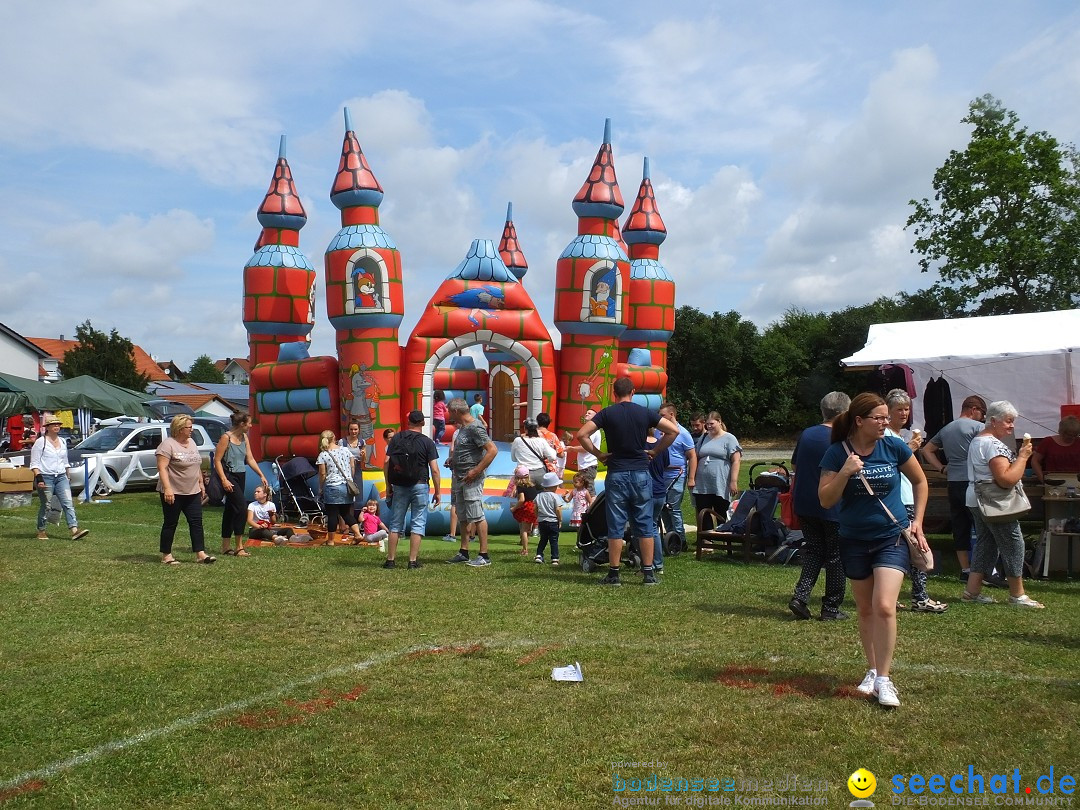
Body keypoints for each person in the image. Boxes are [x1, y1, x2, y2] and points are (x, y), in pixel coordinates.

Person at [819, 393, 930, 708]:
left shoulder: (893, 446)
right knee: (865, 609)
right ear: (859, 421)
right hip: (853, 539)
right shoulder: (835, 453)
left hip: (891, 537)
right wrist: (845, 472)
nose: (886, 423)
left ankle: (884, 679)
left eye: (886, 417)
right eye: (879, 418)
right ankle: (871, 669)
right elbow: (826, 500)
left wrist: (918, 522)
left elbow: (920, 483)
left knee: (884, 606)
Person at [575, 377, 679, 586]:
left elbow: (582, 434)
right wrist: (655, 451)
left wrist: (599, 454)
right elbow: (673, 431)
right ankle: (648, 573)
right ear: (633, 392)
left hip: (617, 473)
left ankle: (614, 574)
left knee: (615, 525)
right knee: (645, 524)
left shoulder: (607, 413)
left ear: (614, 393)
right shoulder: (644, 412)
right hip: (641, 472)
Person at [962, 401, 1044, 608]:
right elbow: (1006, 479)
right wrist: (1024, 457)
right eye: (1008, 421)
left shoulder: (977, 441)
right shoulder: (992, 444)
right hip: (995, 502)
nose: (1011, 426)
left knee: (986, 543)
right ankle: (1017, 595)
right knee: (1014, 543)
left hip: (976, 498)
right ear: (993, 421)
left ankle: (972, 592)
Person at [884, 389, 947, 614]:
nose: (903, 413)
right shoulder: (885, 436)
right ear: (888, 412)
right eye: (898, 409)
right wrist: (909, 450)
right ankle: (919, 597)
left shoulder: (901, 436)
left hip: (908, 496)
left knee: (907, 547)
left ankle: (900, 596)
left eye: (906, 409)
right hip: (898, 499)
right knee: (914, 547)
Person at [788, 392, 850, 621]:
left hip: (805, 501)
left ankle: (801, 596)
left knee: (814, 550)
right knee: (835, 555)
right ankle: (831, 608)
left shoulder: (807, 434)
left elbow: (795, 462)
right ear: (844, 413)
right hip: (833, 504)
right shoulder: (842, 438)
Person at [919, 395, 987, 577]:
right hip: (973, 482)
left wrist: (941, 468)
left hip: (953, 482)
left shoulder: (947, 428)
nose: (983, 417)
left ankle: (965, 569)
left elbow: (926, 450)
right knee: (981, 526)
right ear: (973, 409)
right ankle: (985, 568)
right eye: (982, 413)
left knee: (959, 525)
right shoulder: (980, 428)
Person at [383, 410, 441, 569]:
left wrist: (388, 485)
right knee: (418, 522)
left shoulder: (396, 438)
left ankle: (390, 560)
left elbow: (387, 462)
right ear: (422, 423)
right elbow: (435, 470)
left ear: (408, 422)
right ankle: (412, 561)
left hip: (400, 485)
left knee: (395, 522)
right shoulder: (427, 442)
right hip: (420, 484)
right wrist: (437, 491)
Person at [156, 414, 215, 565]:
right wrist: (168, 489)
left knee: (196, 522)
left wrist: (201, 484)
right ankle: (166, 555)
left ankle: (200, 554)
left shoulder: (192, 443)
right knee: (171, 522)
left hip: (192, 491)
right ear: (180, 428)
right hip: (173, 492)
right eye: (189, 427)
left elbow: (196, 465)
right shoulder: (167, 445)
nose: (192, 430)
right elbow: (162, 468)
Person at [445, 398, 497, 566]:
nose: (449, 416)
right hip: (459, 477)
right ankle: (464, 551)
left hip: (471, 479)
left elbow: (492, 450)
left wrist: (476, 470)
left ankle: (484, 554)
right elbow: (468, 450)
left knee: (476, 515)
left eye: (450, 412)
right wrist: (453, 459)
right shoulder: (463, 428)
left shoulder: (475, 427)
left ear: (456, 412)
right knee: (463, 515)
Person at [214, 411, 268, 558]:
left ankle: (225, 547)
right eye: (249, 423)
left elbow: (250, 459)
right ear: (242, 424)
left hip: (241, 475)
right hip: (229, 476)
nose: (251, 426)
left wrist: (261, 474)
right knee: (241, 508)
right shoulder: (226, 438)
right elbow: (217, 460)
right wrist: (224, 479)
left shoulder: (244, 437)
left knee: (230, 510)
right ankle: (239, 546)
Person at [29, 414, 89, 541]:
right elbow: (34, 463)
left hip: (61, 476)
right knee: (46, 505)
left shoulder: (62, 441)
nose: (57, 426)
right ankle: (41, 530)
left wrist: (68, 475)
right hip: (45, 477)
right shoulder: (41, 442)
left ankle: (74, 530)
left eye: (58, 424)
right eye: (54, 424)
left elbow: (65, 460)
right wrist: (39, 478)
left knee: (68, 503)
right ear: (48, 427)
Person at [657, 403, 697, 556]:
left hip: (677, 475)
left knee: (673, 508)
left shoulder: (683, 433)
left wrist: (691, 478)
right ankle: (670, 537)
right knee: (662, 509)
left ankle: (681, 539)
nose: (659, 418)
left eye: (662, 415)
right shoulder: (659, 432)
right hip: (661, 476)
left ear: (672, 415)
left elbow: (692, 456)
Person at [692, 411, 742, 517]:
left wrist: (733, 481)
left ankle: (721, 533)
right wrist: (691, 478)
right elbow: (696, 457)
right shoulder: (704, 437)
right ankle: (706, 534)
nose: (709, 427)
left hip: (720, 482)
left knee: (722, 514)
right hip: (702, 484)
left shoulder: (729, 438)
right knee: (703, 515)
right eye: (707, 424)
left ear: (719, 422)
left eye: (712, 424)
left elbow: (736, 461)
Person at [316, 429, 362, 546]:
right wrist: (349, 479)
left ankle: (331, 541)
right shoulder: (346, 450)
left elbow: (322, 474)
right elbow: (352, 467)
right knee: (346, 513)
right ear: (334, 437)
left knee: (332, 514)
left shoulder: (323, 454)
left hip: (332, 486)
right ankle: (357, 534)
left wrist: (321, 487)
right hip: (346, 486)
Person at [1031, 415, 1080, 482]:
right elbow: (1035, 461)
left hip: (1077, 479)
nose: (1072, 438)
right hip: (1053, 480)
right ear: (1061, 431)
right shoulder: (1048, 442)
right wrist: (1042, 479)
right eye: (1069, 435)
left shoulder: (1078, 442)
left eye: (1075, 435)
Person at [338, 419, 368, 525]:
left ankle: (351, 523)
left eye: (355, 429)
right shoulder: (342, 442)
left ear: (359, 430)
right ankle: (344, 524)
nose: (353, 431)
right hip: (346, 469)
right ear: (348, 430)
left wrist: (363, 455)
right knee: (345, 496)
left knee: (355, 495)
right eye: (351, 429)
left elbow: (363, 460)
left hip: (357, 468)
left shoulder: (361, 442)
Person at [564, 408, 600, 495]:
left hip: (588, 466)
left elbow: (585, 448)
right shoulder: (590, 430)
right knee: (585, 491)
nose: (586, 414)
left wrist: (572, 448)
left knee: (589, 491)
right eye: (586, 413)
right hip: (585, 466)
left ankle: (592, 506)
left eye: (589, 413)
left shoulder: (593, 431)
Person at [511, 418, 556, 486]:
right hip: (539, 473)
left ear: (525, 429)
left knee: (523, 494)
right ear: (536, 429)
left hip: (523, 475)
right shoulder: (541, 441)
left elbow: (513, 459)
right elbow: (552, 457)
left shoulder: (517, 440)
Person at [533, 471, 564, 565]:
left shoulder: (538, 496)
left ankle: (539, 555)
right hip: (553, 521)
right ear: (554, 486)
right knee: (554, 540)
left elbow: (535, 507)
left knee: (543, 539)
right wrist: (560, 520)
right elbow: (558, 509)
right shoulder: (555, 496)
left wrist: (537, 515)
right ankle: (554, 558)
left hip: (542, 521)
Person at [509, 464, 538, 555]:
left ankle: (525, 549)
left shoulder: (520, 487)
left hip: (527, 508)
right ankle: (524, 542)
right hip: (533, 507)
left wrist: (514, 508)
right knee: (528, 528)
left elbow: (522, 499)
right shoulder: (532, 485)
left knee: (524, 529)